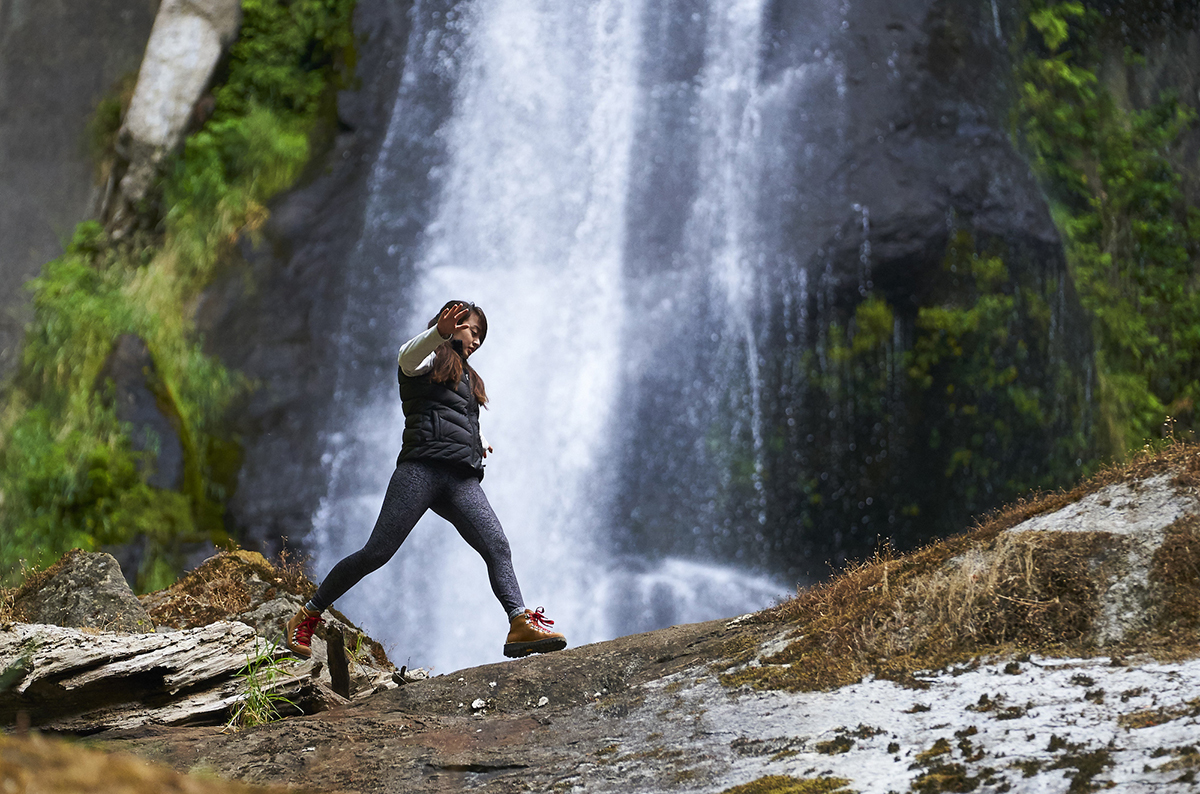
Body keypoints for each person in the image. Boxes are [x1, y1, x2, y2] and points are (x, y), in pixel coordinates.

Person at [285, 300, 567, 660]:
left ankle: (518, 622)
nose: (477, 340)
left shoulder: (469, 378)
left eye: (482, 336)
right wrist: (439, 334)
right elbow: (405, 357)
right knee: (377, 553)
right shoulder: (428, 358)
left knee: (497, 545)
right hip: (420, 470)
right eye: (472, 330)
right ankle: (308, 614)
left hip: (460, 478)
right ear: (450, 324)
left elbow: (457, 415)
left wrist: (478, 440)